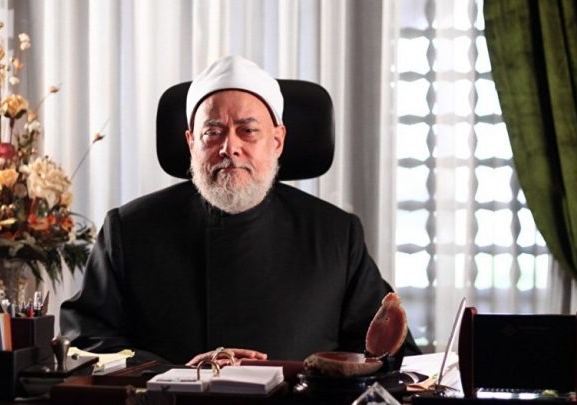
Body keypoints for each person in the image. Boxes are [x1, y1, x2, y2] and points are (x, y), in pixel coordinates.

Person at [60, 55, 420, 365]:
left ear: (277, 141)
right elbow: (85, 341)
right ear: (190, 142)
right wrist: (176, 375)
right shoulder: (130, 230)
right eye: (212, 132)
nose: (229, 147)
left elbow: (387, 352)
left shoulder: (336, 234)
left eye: (247, 131)